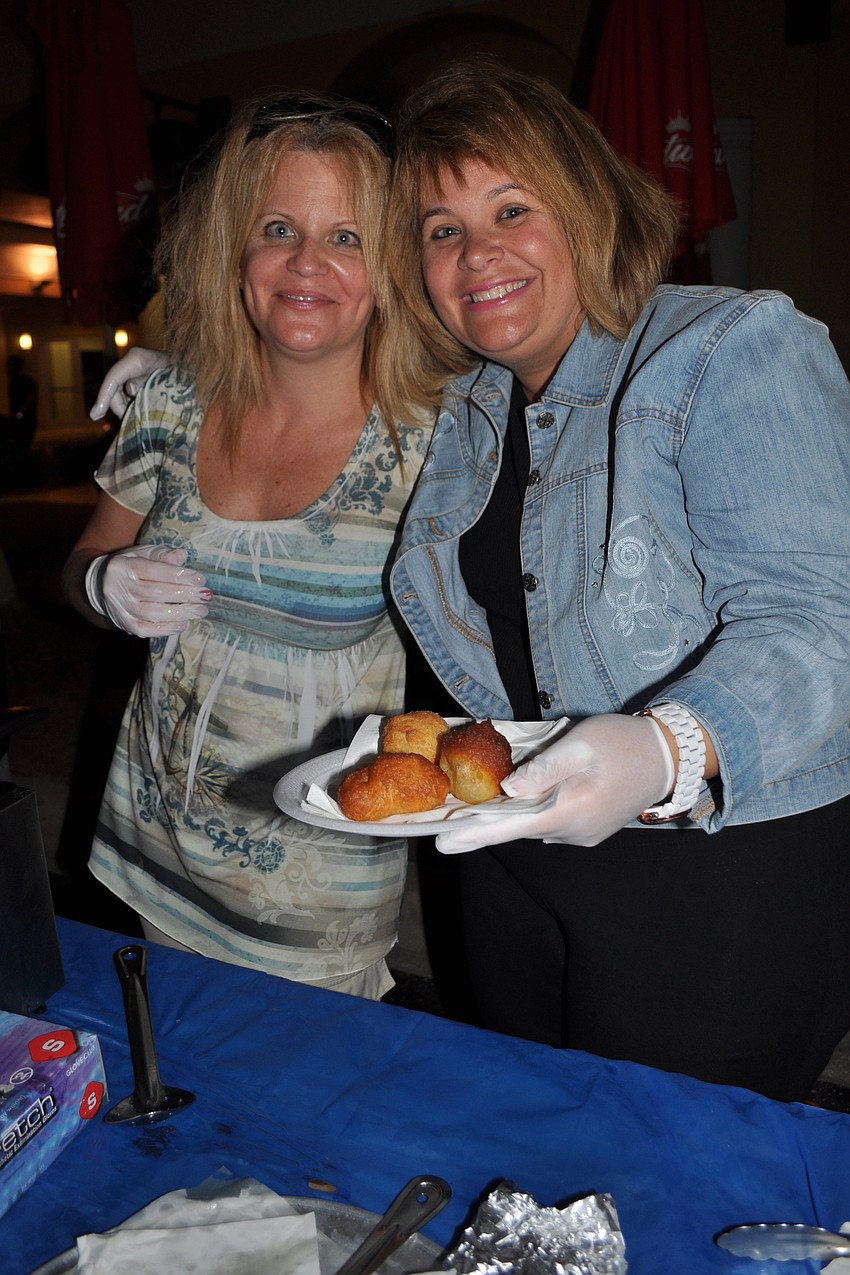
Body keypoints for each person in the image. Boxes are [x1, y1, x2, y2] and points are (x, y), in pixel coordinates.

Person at [378, 60, 850, 1100]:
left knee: (669, 1180)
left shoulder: (729, 345)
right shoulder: (462, 406)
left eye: (511, 207)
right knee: (534, 1133)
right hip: (506, 857)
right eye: (440, 228)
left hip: (716, 872)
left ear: (587, 208)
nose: (477, 252)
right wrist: (186, 375)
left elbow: (820, 621)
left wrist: (663, 747)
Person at [63, 91, 433, 997]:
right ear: (236, 253)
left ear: (390, 268)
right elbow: (74, 566)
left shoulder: (434, 445)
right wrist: (102, 581)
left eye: (347, 237)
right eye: (279, 228)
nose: (309, 262)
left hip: (315, 904)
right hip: (148, 856)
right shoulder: (168, 406)